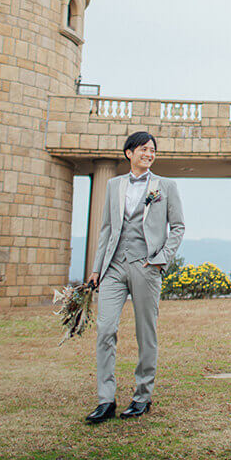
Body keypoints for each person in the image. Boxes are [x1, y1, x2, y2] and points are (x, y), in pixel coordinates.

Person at [84, 131, 185, 423]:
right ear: (129, 152)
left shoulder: (165, 186)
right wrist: (96, 269)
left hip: (146, 265)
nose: (149, 154)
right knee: (105, 330)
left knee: (146, 333)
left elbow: (177, 227)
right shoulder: (114, 185)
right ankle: (106, 400)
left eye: (152, 150)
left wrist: (161, 259)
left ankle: (142, 396)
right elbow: (106, 229)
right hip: (114, 267)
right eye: (143, 149)